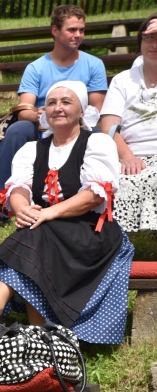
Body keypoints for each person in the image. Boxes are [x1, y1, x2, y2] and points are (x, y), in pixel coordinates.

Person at [0, 81, 133, 345]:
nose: (57, 108)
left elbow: (94, 196)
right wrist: (24, 210)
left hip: (89, 232)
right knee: (35, 231)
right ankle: (40, 336)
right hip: (45, 232)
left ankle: (0, 305)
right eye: (52, 102)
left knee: (36, 233)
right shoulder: (31, 149)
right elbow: (17, 188)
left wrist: (48, 213)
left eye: (66, 102)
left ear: (82, 111)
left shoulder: (97, 143)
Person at [0, 5, 107, 229]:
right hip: (41, 125)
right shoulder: (37, 67)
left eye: (81, 30)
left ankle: (84, 200)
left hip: (78, 124)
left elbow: (95, 110)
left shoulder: (94, 64)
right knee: (16, 130)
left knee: (96, 134)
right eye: (72, 30)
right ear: (55, 31)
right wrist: (41, 115)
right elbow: (24, 109)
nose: (78, 35)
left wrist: (69, 116)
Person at [99, 15, 157, 233]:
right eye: (149, 37)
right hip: (134, 155)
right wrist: (127, 156)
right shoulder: (123, 80)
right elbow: (108, 126)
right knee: (122, 181)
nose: (154, 44)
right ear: (140, 43)